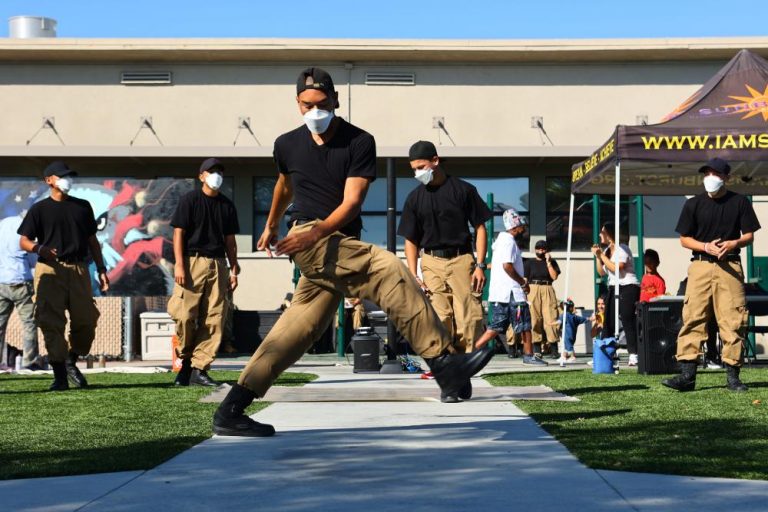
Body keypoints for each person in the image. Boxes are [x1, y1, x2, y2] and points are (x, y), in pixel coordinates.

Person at [212, 67, 494, 436]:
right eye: (305, 105)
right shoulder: (286, 144)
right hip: (312, 236)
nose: (314, 112)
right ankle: (444, 365)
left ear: (335, 101)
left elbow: (353, 201)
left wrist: (317, 235)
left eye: (321, 104)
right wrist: (271, 224)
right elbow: (284, 184)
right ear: (297, 103)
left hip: (330, 239)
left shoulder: (359, 141)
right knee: (388, 268)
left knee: (297, 329)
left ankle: (232, 409)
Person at [663, 157, 759, 392]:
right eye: (706, 173)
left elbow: (749, 235)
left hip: (730, 266)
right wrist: (706, 247)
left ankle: (733, 377)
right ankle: (687, 375)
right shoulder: (693, 204)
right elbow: (684, 239)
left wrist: (733, 242)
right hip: (700, 265)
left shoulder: (740, 202)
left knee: (733, 319)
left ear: (726, 177)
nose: (710, 178)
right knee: (693, 316)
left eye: (715, 174)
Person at [18, 161, 109, 391]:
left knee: (87, 320)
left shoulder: (82, 206)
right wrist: (40, 249)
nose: (67, 179)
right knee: (51, 322)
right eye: (62, 176)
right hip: (49, 269)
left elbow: (92, 241)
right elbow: (24, 240)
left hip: (79, 269)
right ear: (49, 180)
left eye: (70, 176)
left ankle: (71, 360)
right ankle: (59, 375)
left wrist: (101, 269)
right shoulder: (39, 209)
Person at [398, 140, 492, 353]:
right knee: (439, 317)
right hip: (431, 262)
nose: (418, 173)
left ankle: (466, 361)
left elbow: (480, 227)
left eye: (421, 167)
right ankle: (443, 362)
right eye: (414, 170)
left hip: (462, 260)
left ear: (435, 161)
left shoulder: (464, 190)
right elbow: (410, 240)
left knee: (468, 316)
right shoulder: (414, 199)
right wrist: (414, 274)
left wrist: (480, 265)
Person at [168, 158, 240, 387]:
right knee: (185, 315)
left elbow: (231, 240)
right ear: (201, 176)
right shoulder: (189, 201)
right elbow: (178, 234)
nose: (216, 175)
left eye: (219, 171)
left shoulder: (227, 205)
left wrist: (234, 267)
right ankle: (187, 363)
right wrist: (179, 265)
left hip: (218, 264)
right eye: (211, 171)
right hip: (192, 262)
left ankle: (199, 368)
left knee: (215, 317)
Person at [475, 209, 547, 366]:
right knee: (525, 323)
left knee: (495, 326)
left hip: (501, 293)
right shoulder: (509, 242)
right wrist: (522, 282)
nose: (524, 229)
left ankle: (473, 350)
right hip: (512, 293)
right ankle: (528, 355)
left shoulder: (500, 242)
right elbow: (507, 266)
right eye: (522, 226)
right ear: (514, 227)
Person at [591, 222, 640, 366]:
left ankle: (633, 354)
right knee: (608, 320)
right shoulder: (606, 251)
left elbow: (617, 268)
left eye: (602, 232)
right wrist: (598, 257)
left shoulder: (622, 248)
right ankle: (605, 353)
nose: (600, 235)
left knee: (627, 319)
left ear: (609, 234)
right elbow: (601, 272)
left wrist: (602, 256)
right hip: (613, 287)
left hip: (628, 286)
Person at [0, 213, 41, 370]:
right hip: (21, 281)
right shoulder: (25, 229)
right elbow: (32, 260)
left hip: (2, 280)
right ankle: (29, 362)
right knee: (29, 323)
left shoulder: (3, 225)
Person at [524, 240, 561, 358]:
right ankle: (537, 349)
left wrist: (549, 262)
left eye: (543, 249)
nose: (541, 251)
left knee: (551, 317)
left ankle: (554, 348)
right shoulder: (529, 263)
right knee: (534, 319)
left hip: (547, 288)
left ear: (547, 250)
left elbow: (554, 276)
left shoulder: (552, 262)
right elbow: (525, 278)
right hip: (533, 288)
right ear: (535, 250)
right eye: (538, 248)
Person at [554, 299, 588, 365]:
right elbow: (583, 319)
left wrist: (550, 323)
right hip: (572, 335)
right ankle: (564, 357)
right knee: (566, 347)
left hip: (567, 335)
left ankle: (572, 357)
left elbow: (559, 322)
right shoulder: (574, 317)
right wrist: (590, 318)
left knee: (568, 346)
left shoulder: (564, 315)